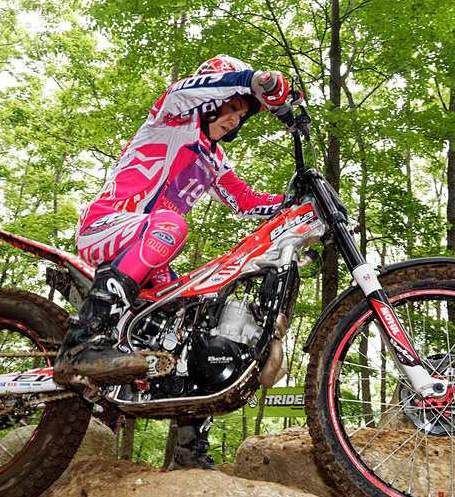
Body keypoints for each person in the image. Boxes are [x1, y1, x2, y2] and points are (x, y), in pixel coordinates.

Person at [53, 54, 292, 469]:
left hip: (151, 256)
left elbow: (246, 201)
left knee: (193, 326)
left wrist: (294, 203)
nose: (235, 119)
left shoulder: (214, 159)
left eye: (242, 115)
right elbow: (187, 91)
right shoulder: (172, 118)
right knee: (171, 223)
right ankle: (83, 340)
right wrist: (252, 80)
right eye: (232, 108)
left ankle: (189, 450)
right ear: (213, 96)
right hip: (108, 226)